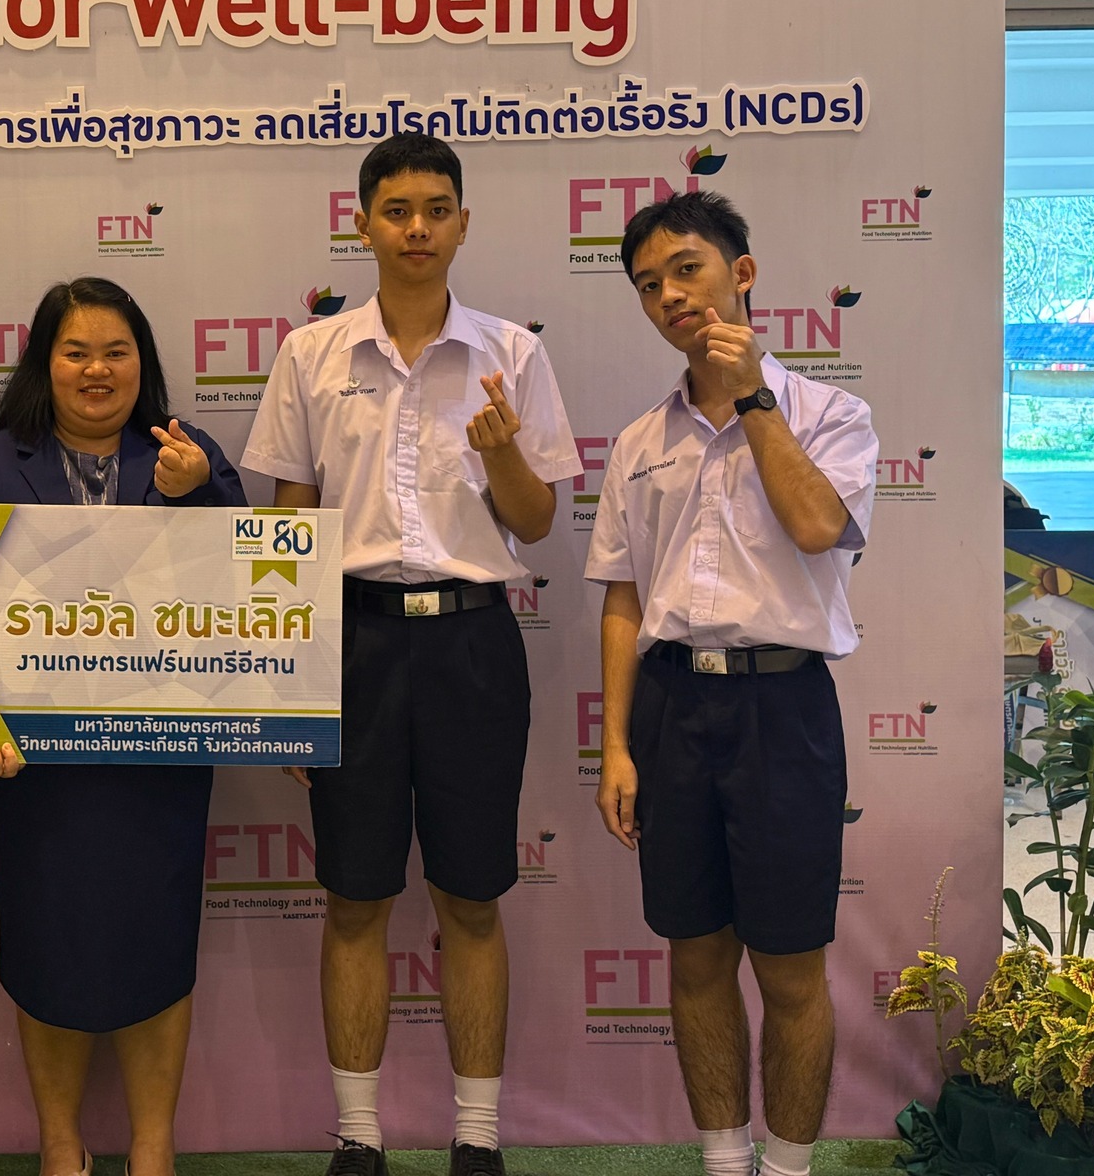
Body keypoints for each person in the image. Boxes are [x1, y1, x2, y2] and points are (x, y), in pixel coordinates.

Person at [242, 134, 580, 1176]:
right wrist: (287, 684)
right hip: (350, 642)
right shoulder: (311, 354)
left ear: (463, 223)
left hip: (474, 642)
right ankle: (357, 1138)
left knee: (470, 898)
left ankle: (476, 1139)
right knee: (354, 898)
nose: (417, 228)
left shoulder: (511, 355)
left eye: (437, 209)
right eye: (396, 210)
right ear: (363, 224)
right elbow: (286, 532)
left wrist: (501, 454)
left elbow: (536, 521)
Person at [586, 191, 876, 1176]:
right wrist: (615, 745)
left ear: (740, 274)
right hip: (671, 709)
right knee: (695, 955)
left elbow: (817, 527)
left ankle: (786, 1167)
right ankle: (722, 1159)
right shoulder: (639, 442)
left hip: (782, 709)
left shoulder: (831, 414)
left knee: (790, 968)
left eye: (686, 270)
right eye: (648, 285)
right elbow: (622, 603)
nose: (669, 296)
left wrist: (753, 397)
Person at [0, 277, 245, 1176]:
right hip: (35, 765)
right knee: (48, 942)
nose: (96, 369)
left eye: (116, 352)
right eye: (75, 351)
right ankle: (61, 1145)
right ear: (44, 363)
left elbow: (252, 595)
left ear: (142, 365)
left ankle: (154, 1146)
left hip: (162, 756)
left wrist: (196, 495)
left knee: (158, 938)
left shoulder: (189, 453)